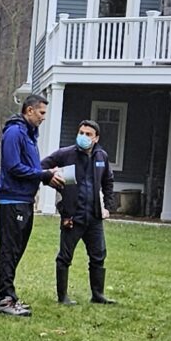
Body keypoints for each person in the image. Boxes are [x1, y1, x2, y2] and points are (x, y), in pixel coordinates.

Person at [42, 118, 118, 305]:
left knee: (98, 255)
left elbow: (108, 182)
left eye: (88, 134)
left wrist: (107, 206)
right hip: (72, 216)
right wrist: (51, 179)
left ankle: (98, 295)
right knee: (65, 257)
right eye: (81, 133)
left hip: (94, 217)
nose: (83, 137)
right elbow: (41, 168)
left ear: (96, 138)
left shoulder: (102, 157)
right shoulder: (66, 154)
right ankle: (63, 297)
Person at [0, 91, 50, 316]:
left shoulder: (29, 134)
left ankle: (6, 295)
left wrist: (44, 174)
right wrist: (43, 175)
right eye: (41, 112)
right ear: (29, 110)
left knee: (17, 249)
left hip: (25, 200)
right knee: (9, 249)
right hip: (13, 200)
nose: (44, 117)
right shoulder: (15, 132)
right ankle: (5, 300)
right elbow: (13, 166)